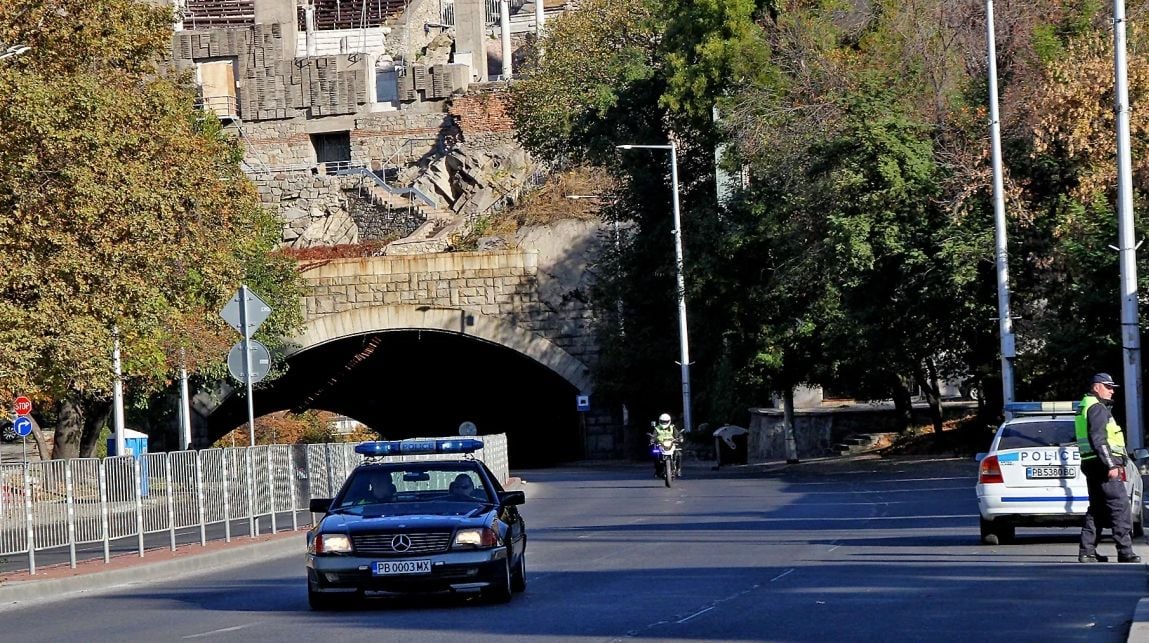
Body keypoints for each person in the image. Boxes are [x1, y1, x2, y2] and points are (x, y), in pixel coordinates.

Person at [1076, 372, 1141, 563]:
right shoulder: (1097, 408)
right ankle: (1125, 551)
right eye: (1108, 387)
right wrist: (1111, 464)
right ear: (1096, 387)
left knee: (1098, 508)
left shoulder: (1086, 406)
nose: (1112, 391)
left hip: (1092, 462)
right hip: (1103, 464)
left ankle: (1087, 551)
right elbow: (1099, 439)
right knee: (1120, 506)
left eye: (1112, 387)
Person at [649, 413, 683, 478]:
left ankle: (678, 469)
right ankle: (657, 470)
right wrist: (652, 440)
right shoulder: (657, 428)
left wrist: (680, 438)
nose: (664, 423)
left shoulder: (672, 427)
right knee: (655, 454)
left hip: (671, 443)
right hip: (661, 444)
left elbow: (677, 434)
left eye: (666, 422)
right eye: (662, 422)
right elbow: (654, 435)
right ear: (660, 421)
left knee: (679, 453)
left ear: (669, 421)